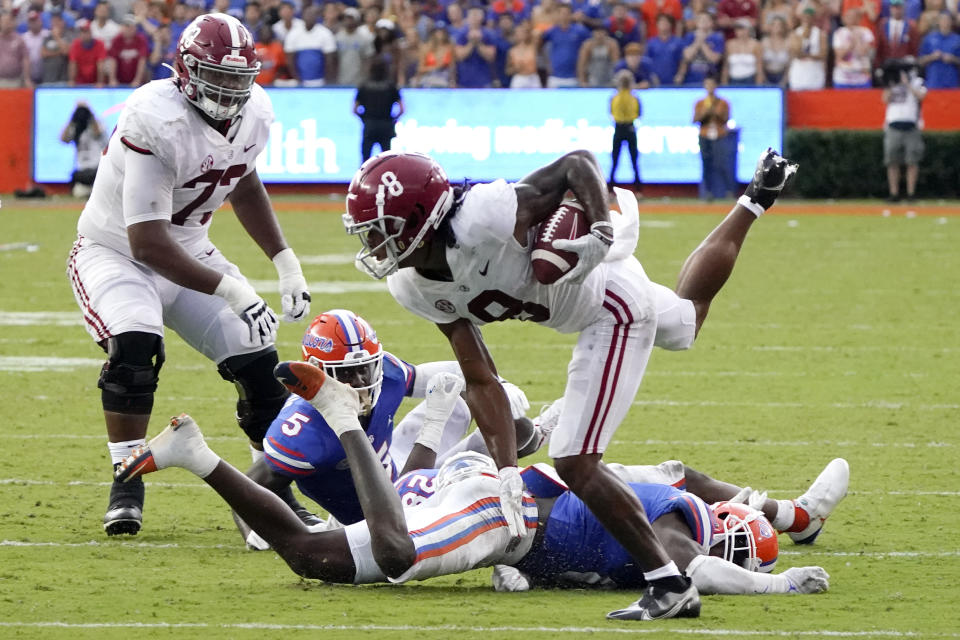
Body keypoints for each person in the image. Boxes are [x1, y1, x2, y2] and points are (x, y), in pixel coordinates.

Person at [338, 146, 798, 619]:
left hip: (610, 307)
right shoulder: (413, 286)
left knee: (576, 461)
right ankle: (754, 201)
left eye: (382, 229)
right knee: (684, 321)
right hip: (584, 301)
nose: (373, 243)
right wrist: (507, 469)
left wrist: (599, 226)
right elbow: (480, 377)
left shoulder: (484, 214)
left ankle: (669, 586)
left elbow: (577, 163)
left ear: (421, 219)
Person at [113, 363, 837, 605]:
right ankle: (342, 415)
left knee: (313, 552)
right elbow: (695, 568)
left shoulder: (657, 491)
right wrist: (775, 585)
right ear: (721, 531)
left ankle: (196, 454)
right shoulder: (679, 527)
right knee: (386, 559)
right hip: (495, 512)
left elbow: (671, 480)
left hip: (480, 491)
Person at [65, 13, 312, 538]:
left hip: (191, 251)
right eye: (217, 77)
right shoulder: (154, 117)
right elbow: (146, 241)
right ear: (185, 70)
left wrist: (283, 259)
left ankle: (268, 495)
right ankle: (126, 478)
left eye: (238, 79)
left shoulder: (256, 114)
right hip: (115, 252)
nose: (228, 90)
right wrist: (231, 286)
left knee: (259, 359)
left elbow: (242, 182)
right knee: (135, 348)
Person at [234, 309, 542, 546]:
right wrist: (258, 532)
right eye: (345, 373)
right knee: (474, 482)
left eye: (364, 369)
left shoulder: (387, 376)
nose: (358, 382)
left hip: (395, 466)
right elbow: (248, 489)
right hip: (377, 519)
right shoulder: (305, 432)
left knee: (517, 429)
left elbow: (439, 375)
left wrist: (494, 386)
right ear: (316, 374)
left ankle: (545, 430)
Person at [881, 58, 926, 202]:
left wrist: (907, 84)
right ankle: (894, 193)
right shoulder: (892, 81)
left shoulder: (917, 81)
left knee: (912, 161)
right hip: (893, 123)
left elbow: (921, 96)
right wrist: (892, 84)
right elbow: (885, 99)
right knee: (892, 161)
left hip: (911, 124)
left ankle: (911, 193)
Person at [354, 57, 404, 163]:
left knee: (365, 161)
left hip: (369, 126)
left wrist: (364, 118)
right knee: (387, 161)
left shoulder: (364, 86)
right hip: (386, 125)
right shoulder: (391, 86)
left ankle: (363, 179)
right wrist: (393, 119)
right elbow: (402, 109)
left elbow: (355, 109)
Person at [694, 75, 734, 200]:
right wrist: (705, 112)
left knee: (721, 163)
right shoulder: (700, 103)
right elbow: (695, 119)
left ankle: (728, 191)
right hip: (705, 134)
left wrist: (716, 112)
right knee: (706, 164)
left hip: (719, 134)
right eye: (707, 85)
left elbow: (726, 118)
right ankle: (708, 192)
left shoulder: (723, 102)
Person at [60, 101, 108, 198]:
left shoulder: (96, 125)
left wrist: (90, 114)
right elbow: (63, 139)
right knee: (80, 193)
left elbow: (98, 132)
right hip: (82, 169)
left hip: (97, 168)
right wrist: (72, 119)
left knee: (98, 194)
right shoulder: (76, 129)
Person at [284, 5, 338, 87]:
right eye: (307, 14)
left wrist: (327, 81)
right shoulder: (293, 34)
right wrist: (297, 79)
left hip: (321, 81)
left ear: (316, 17)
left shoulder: (325, 33)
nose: (310, 17)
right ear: (302, 16)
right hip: (300, 81)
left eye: (312, 14)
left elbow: (330, 61)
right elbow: (290, 60)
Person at [609, 69, 643, 193]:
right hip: (629, 128)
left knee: (616, 160)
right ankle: (638, 190)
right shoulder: (634, 98)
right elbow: (639, 114)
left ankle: (610, 190)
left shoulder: (614, 97)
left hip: (620, 128)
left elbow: (611, 113)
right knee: (633, 161)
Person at [832, 7, 876, 88]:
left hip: (862, 78)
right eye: (848, 16)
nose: (851, 19)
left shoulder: (866, 32)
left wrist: (857, 39)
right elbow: (839, 56)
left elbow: (863, 53)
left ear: (859, 18)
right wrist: (851, 45)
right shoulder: (839, 33)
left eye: (853, 16)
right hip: (843, 78)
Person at [787, 3, 827, 90]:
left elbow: (823, 54)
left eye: (810, 17)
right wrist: (804, 38)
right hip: (799, 72)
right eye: (805, 17)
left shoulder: (820, 34)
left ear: (814, 18)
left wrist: (806, 55)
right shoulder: (795, 33)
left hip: (815, 71)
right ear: (801, 18)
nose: (807, 19)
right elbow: (795, 53)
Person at [917, 13, 960, 89]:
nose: (945, 22)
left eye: (947, 20)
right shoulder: (929, 38)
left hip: (952, 84)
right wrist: (931, 57)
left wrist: (953, 59)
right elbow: (920, 61)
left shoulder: (957, 40)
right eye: (943, 20)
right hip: (933, 83)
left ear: (951, 22)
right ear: (938, 22)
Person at [722, 19, 765, 85]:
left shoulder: (756, 45)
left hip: (750, 78)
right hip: (734, 79)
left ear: (748, 30)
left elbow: (759, 67)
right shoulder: (730, 44)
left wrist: (759, 85)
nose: (740, 32)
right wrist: (724, 83)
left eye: (742, 29)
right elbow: (726, 66)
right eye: (738, 29)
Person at [68, 18, 107, 85]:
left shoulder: (99, 44)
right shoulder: (75, 44)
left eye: (86, 31)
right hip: (80, 81)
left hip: (95, 81)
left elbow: (100, 64)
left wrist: (100, 82)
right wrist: (72, 80)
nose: (84, 34)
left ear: (91, 32)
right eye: (82, 32)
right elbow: (73, 63)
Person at [0, 10, 32, 88]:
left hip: (15, 81)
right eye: (4, 21)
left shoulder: (19, 39)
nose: (6, 24)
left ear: (12, 23)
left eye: (8, 21)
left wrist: (27, 79)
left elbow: (25, 59)